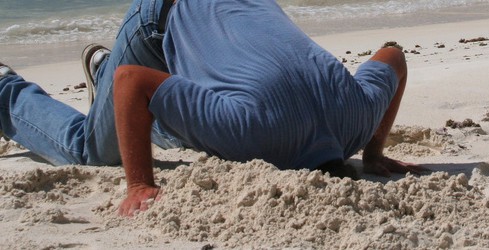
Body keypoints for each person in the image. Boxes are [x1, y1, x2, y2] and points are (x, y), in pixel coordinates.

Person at [0, 0, 426, 217]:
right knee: (93, 149)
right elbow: (132, 82)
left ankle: (106, 80)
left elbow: (393, 57)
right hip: (158, 21)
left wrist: (372, 150)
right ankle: (6, 89)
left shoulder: (358, 114)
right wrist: (138, 185)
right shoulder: (253, 133)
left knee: (196, 120)